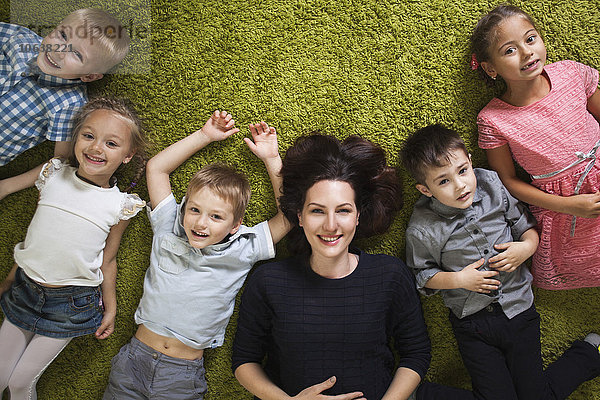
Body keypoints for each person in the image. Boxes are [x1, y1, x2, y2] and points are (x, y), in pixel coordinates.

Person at [401, 124, 600, 400]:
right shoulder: (423, 228)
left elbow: (525, 225)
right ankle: (420, 395)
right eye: (443, 181)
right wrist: (458, 280)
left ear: (470, 161)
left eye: (462, 171)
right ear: (425, 189)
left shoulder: (492, 185)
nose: (460, 186)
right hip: (473, 323)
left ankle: (588, 355)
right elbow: (422, 275)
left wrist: (527, 247)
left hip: (519, 310)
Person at [232, 133, 434, 400]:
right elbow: (245, 361)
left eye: (343, 210)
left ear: (358, 216)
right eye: (317, 211)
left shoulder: (390, 275)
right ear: (300, 217)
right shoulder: (268, 281)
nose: (330, 225)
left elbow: (416, 353)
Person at [103, 112, 290, 400]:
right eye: (194, 210)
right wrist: (205, 136)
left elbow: (288, 216)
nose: (201, 223)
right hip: (133, 361)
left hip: (182, 374)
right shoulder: (169, 225)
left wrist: (271, 158)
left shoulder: (244, 246)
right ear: (183, 209)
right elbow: (157, 169)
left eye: (216, 216)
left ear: (235, 224)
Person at [0, 97, 147, 400]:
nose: (96, 148)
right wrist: (10, 280)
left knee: (18, 384)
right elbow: (32, 238)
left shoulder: (120, 205)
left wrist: (111, 306)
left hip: (71, 303)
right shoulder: (52, 173)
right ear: (76, 137)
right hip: (25, 289)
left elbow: (108, 259)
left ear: (128, 155)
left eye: (111, 143)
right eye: (89, 136)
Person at [471, 4, 600, 290]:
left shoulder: (571, 73)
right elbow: (508, 181)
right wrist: (568, 206)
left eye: (530, 39)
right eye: (509, 50)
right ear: (491, 68)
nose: (527, 52)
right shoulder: (493, 119)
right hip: (563, 207)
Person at [0, 8, 130, 168]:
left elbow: (60, 161)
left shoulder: (68, 104)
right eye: (62, 35)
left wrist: (6, 187)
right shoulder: (21, 40)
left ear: (89, 76)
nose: (58, 50)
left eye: (76, 54)